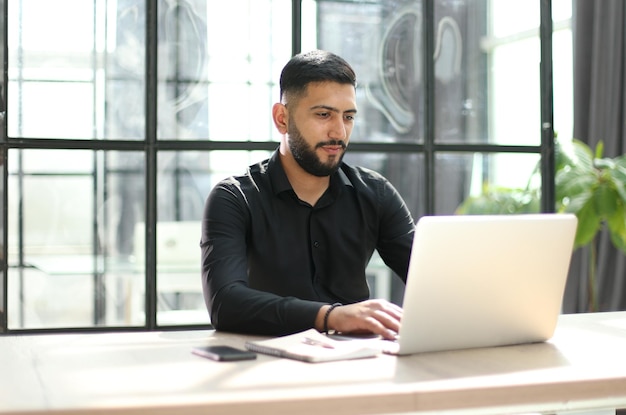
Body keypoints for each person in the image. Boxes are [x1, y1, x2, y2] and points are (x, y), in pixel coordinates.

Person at [201, 50, 415, 340]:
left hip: (359, 362)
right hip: (263, 364)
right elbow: (225, 303)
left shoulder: (375, 194)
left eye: (348, 117)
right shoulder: (234, 198)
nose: (339, 132)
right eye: (324, 114)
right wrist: (331, 316)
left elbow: (434, 283)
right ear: (282, 119)